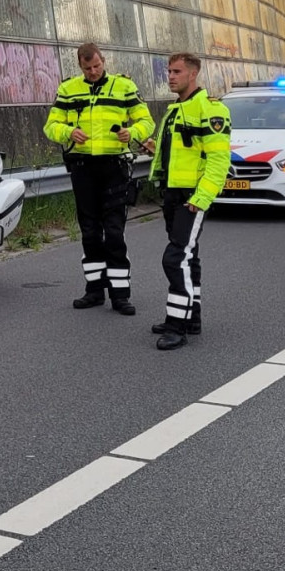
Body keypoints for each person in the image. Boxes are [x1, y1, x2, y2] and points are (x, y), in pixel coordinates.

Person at [43, 43, 155, 315]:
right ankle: (94, 290)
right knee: (90, 232)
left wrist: (133, 132)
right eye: (87, 68)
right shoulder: (68, 89)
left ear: (104, 61)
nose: (93, 72)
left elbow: (147, 121)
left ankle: (120, 295)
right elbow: (51, 126)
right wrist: (68, 132)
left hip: (114, 167)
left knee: (114, 232)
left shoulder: (124, 87)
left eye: (97, 66)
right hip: (83, 168)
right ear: (80, 66)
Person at [144, 53, 231, 350]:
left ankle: (176, 325)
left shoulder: (210, 109)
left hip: (191, 196)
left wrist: (201, 198)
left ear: (193, 74)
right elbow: (179, 152)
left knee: (175, 257)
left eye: (177, 71)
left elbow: (219, 161)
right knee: (188, 258)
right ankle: (191, 317)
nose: (170, 76)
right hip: (172, 192)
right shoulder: (175, 111)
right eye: (169, 71)